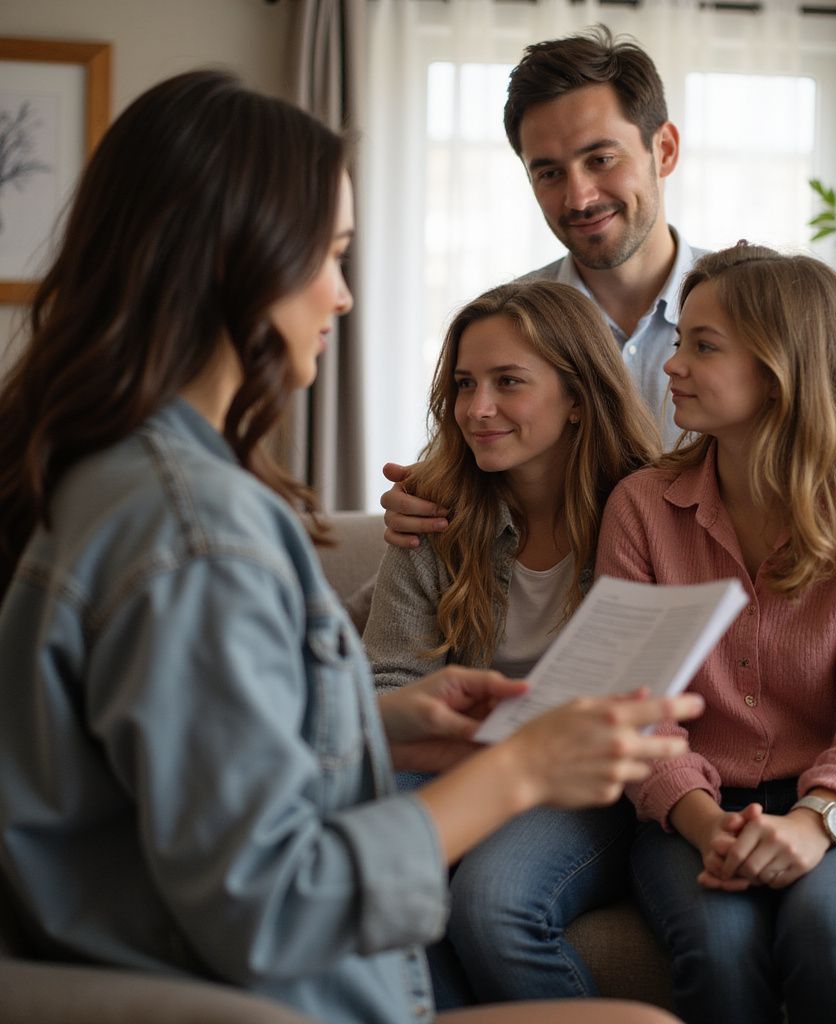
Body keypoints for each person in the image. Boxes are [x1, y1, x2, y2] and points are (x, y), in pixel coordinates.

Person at [0, 69, 702, 1024]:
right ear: (232, 264)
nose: (340, 296)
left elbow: (180, 759)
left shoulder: (112, 476)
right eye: (327, 255)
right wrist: (524, 767)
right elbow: (275, 901)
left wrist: (386, 721)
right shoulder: (197, 536)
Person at [594, 243, 836, 1024]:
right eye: (680, 341)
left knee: (827, 927)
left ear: (780, 368)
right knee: (721, 946)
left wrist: (814, 822)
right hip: (693, 807)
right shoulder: (641, 507)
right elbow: (634, 705)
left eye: (703, 345)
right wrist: (705, 823)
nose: (672, 365)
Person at [362, 279, 662, 1005]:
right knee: (382, 873)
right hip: (458, 759)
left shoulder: (650, 512)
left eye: (508, 383)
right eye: (465, 384)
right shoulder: (434, 512)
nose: (477, 408)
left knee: (492, 904)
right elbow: (386, 681)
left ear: (579, 398)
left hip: (588, 782)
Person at [382, 24, 703, 545]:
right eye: (549, 173)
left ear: (663, 149)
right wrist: (422, 504)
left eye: (601, 159)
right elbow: (468, 474)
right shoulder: (505, 326)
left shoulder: (751, 310)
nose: (578, 198)